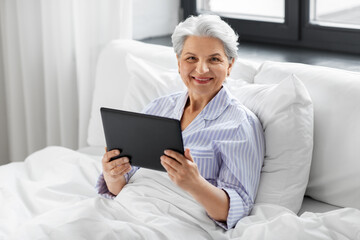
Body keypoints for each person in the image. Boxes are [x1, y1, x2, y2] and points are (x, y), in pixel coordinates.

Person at [96, 14, 265, 230]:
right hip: (123, 208)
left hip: (174, 223)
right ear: (178, 63)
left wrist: (195, 184)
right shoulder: (159, 107)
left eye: (214, 59)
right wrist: (112, 174)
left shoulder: (240, 125)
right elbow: (120, 187)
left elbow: (236, 209)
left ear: (230, 65)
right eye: (191, 58)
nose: (202, 69)